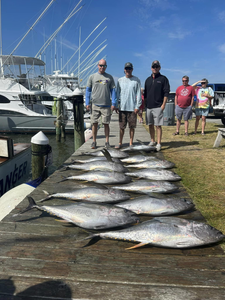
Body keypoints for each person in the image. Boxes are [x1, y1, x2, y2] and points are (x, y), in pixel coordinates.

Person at [85, 59, 117, 149]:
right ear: (97, 65)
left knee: (106, 124)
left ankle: (107, 142)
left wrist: (114, 103)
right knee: (94, 123)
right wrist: (87, 102)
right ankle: (94, 141)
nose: (102, 67)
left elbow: (113, 91)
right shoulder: (92, 77)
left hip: (106, 105)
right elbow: (88, 90)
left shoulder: (109, 77)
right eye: (101, 65)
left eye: (104, 66)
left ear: (106, 66)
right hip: (95, 105)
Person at [144, 60, 170, 151]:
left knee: (158, 126)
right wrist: (145, 106)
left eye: (156, 67)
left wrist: (163, 105)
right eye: (153, 67)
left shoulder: (163, 79)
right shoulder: (148, 80)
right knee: (150, 125)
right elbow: (146, 95)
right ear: (151, 68)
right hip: (149, 107)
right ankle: (152, 140)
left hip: (158, 106)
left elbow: (166, 93)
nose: (155, 68)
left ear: (159, 68)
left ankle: (158, 143)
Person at [115, 62, 142, 149]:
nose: (128, 70)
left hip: (132, 108)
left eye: (129, 69)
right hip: (122, 107)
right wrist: (116, 105)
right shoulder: (120, 80)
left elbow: (139, 94)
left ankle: (131, 143)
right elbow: (117, 94)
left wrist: (137, 106)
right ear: (124, 70)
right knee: (121, 127)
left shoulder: (136, 80)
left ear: (132, 69)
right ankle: (120, 142)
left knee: (132, 127)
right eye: (126, 69)